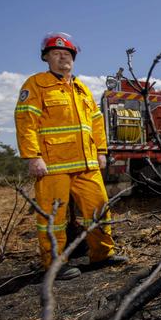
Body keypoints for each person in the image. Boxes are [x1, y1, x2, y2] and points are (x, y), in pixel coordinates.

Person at [14, 32, 128, 280]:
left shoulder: (81, 89)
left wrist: (100, 151)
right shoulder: (35, 85)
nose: (62, 57)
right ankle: (55, 264)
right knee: (53, 219)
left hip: (87, 164)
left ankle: (102, 254)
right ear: (46, 58)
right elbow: (25, 122)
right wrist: (33, 157)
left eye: (67, 53)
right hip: (53, 166)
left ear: (73, 58)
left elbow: (96, 124)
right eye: (56, 53)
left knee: (99, 209)